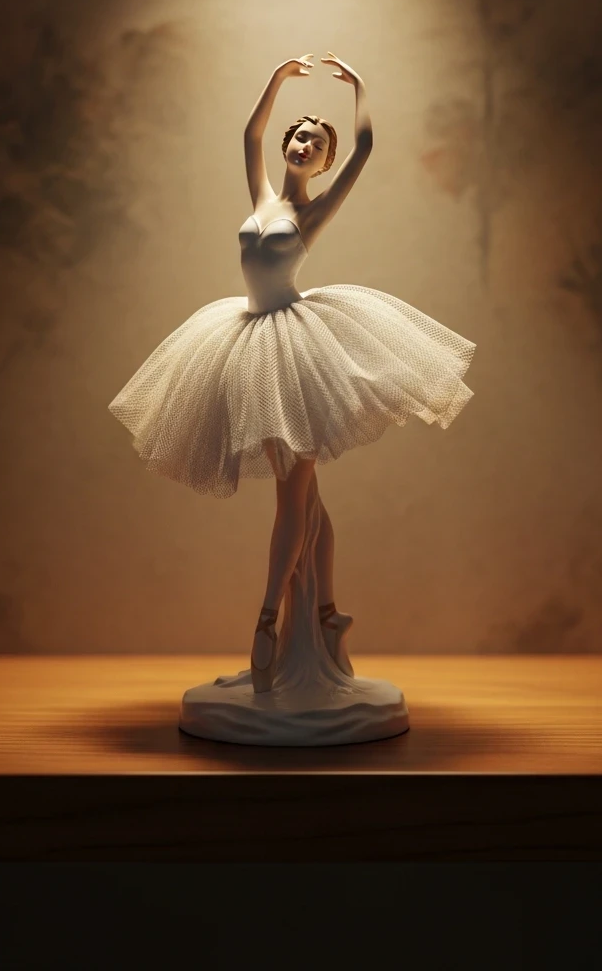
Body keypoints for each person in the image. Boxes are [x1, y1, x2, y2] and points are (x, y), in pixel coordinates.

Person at [109, 52, 475, 694]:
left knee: (292, 495)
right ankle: (327, 615)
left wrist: (361, 89)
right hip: (247, 336)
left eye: (318, 145)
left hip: (295, 347)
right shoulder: (262, 195)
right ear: (289, 145)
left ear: (323, 163)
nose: (306, 146)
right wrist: (277, 79)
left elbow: (365, 149)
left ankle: (267, 619)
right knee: (308, 498)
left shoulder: (311, 212)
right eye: (302, 137)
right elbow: (250, 134)